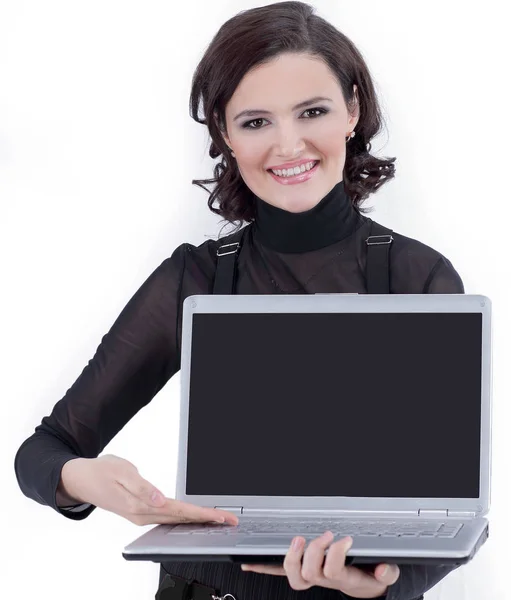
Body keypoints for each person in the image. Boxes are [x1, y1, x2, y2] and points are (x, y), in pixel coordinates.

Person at [14, 2, 466, 599]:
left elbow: (452, 513)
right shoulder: (194, 279)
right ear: (225, 134)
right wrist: (83, 479)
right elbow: (43, 453)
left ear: (352, 110)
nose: (288, 144)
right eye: (256, 122)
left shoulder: (419, 278)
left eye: (313, 111)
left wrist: (380, 585)